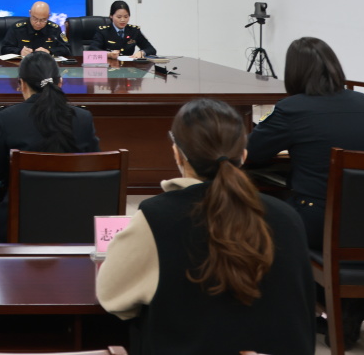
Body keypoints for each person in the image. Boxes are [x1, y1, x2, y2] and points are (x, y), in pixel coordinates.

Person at [97, 98, 315, 355]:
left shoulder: (156, 218)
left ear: (177, 154)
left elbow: (112, 298)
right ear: (244, 155)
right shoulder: (287, 217)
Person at [244, 36, 364, 347]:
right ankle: (346, 306)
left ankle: (302, 307)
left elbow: (251, 152)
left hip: (317, 221)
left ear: (294, 73)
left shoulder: (292, 109)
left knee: (264, 216)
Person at [0, 51, 99, 239]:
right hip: (75, 220)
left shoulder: (8, 118)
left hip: (20, 222)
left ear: (22, 84)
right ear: (60, 82)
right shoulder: (83, 118)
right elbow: (95, 168)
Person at [0, 1, 71, 57]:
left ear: (48, 16)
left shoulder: (54, 29)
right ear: (30, 13)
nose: (38, 23)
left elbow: (67, 49)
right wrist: (19, 52)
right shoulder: (17, 28)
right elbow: (4, 49)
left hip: (47, 67)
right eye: (35, 18)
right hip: (22, 66)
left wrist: (50, 51)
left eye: (43, 20)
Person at [89, 0, 158, 58]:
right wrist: (108, 54)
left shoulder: (134, 31)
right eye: (119, 17)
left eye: (126, 17)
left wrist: (142, 52)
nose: (123, 20)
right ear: (111, 16)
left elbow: (151, 49)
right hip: (109, 67)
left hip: (129, 67)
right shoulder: (103, 31)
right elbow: (92, 50)